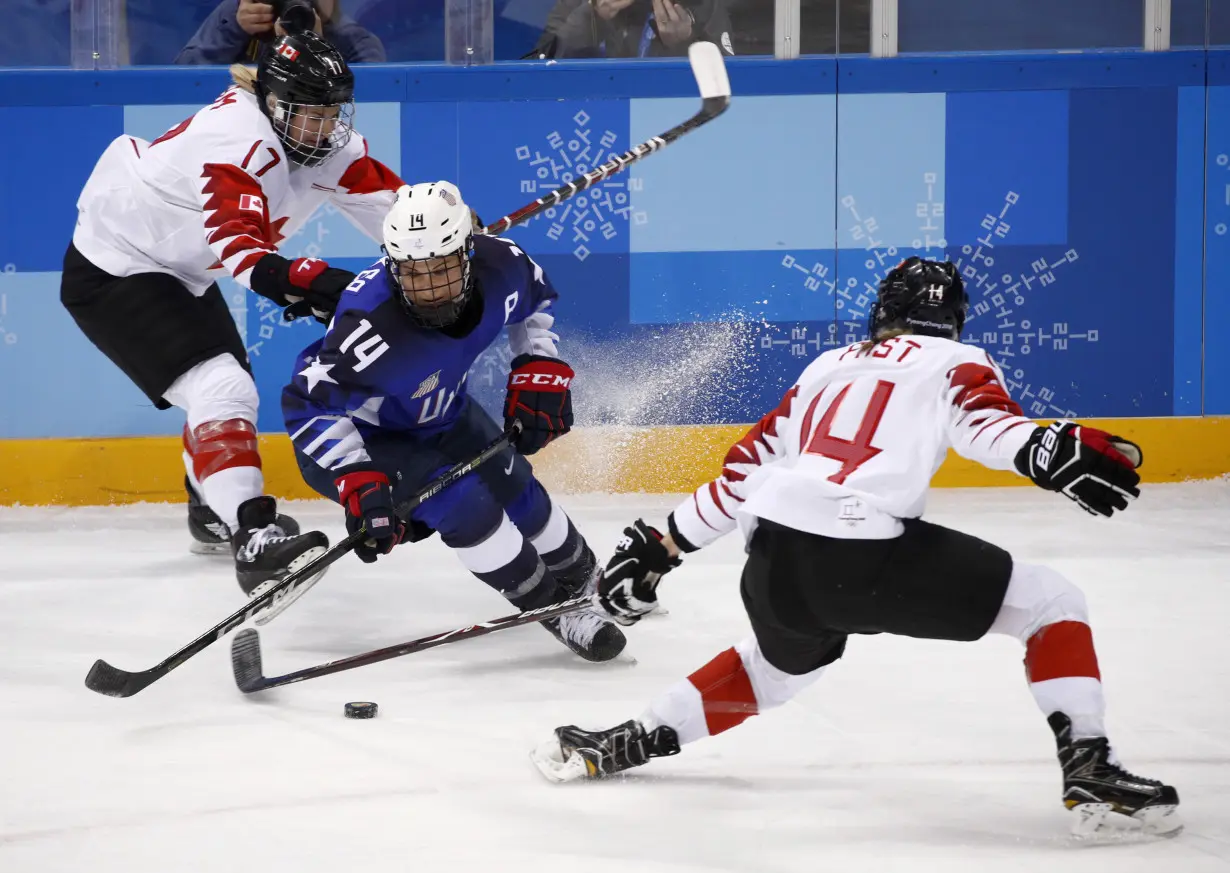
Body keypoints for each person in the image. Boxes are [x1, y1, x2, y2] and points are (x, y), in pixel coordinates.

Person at [531, 257, 1180, 838]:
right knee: (1050, 602)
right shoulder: (957, 360)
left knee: (772, 669)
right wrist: (1043, 447)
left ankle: (625, 743)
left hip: (771, 561)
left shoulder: (826, 366)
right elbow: (986, 427)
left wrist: (663, 546)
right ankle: (1090, 768)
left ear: (882, 316)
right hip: (861, 552)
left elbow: (745, 471)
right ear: (952, 322)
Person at [61, 28, 404, 601]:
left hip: (181, 267)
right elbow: (242, 249)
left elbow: (400, 214)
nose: (323, 127)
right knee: (225, 389)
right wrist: (313, 284)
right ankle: (253, 535)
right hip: (116, 268)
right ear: (272, 102)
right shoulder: (234, 140)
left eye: (332, 113)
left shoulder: (324, 146)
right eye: (308, 113)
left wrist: (464, 246)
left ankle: (211, 513)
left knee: (219, 395)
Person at [280, 180, 627, 662]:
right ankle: (554, 610)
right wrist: (360, 480)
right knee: (463, 502)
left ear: (467, 252)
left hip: (440, 413)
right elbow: (308, 404)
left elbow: (534, 302)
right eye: (412, 273)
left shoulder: (503, 262)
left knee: (513, 484)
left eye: (441, 269)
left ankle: (589, 577)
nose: (427, 289)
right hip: (365, 439)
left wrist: (537, 364)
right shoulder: (368, 322)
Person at [176, 0, 386, 66]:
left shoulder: (351, 39)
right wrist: (233, 30)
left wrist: (316, 49)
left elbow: (376, 102)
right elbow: (183, 82)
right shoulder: (239, 14)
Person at [525, 0, 734, 59]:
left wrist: (683, 44)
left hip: (665, 129)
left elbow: (729, 90)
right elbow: (538, 71)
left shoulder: (703, 5)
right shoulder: (579, 4)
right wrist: (593, 16)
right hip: (591, 119)